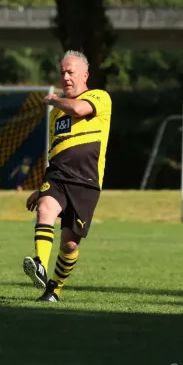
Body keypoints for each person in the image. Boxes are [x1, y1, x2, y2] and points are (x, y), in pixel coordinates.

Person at [22, 50, 112, 302]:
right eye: (62, 72)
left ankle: (53, 291)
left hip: (87, 182)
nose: (66, 77)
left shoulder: (99, 97)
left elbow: (79, 109)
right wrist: (42, 189)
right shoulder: (56, 115)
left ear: (85, 74)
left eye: (71, 72)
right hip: (58, 176)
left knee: (70, 245)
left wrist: (53, 100)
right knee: (45, 209)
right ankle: (39, 263)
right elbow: (53, 152)